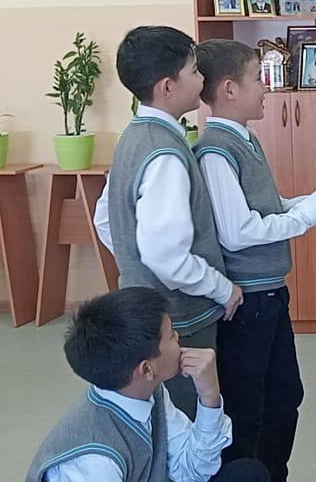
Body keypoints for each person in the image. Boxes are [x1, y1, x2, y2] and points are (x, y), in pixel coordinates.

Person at [193, 40, 316, 481]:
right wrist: (308, 215)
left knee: (284, 397)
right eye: (256, 78)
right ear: (229, 89)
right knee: (250, 408)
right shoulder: (215, 151)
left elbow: (268, 207)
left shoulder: (245, 139)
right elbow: (238, 231)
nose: (265, 88)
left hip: (270, 296)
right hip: (248, 303)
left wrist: (310, 204)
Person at [93, 26, 242, 419]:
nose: (203, 79)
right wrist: (222, 288)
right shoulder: (165, 154)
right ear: (167, 87)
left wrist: (135, 266)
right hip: (181, 323)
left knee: (163, 421)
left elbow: (106, 218)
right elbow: (167, 258)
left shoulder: (133, 136)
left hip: (147, 312)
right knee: (189, 425)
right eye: (194, 71)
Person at [26, 287, 269, 482]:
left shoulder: (147, 392)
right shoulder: (95, 463)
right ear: (146, 369)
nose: (178, 338)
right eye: (171, 335)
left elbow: (191, 471)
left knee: (249, 472)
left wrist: (210, 397)